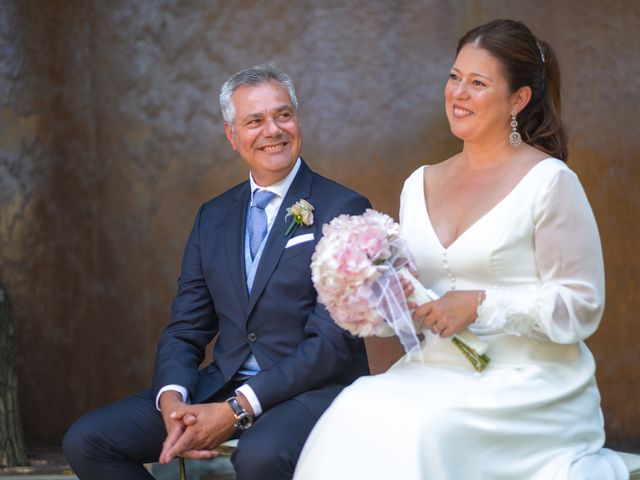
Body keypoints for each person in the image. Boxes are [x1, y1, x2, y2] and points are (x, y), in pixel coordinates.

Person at [293, 19, 629, 479]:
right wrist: (376, 296)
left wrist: (480, 305)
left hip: (528, 385)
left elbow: (580, 306)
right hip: (432, 370)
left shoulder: (549, 183)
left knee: (423, 431)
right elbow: (419, 295)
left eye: (478, 83)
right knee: (353, 407)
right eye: (454, 78)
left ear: (518, 99)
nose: (458, 93)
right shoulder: (420, 183)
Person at [63, 62, 370, 480]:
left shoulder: (344, 208)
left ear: (297, 120)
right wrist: (172, 399)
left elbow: (332, 344)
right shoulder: (213, 216)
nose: (273, 130)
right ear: (232, 135)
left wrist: (238, 408)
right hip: (221, 384)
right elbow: (186, 328)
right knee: (89, 440)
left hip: (313, 389)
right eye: (254, 121)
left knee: (260, 456)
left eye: (283, 115)